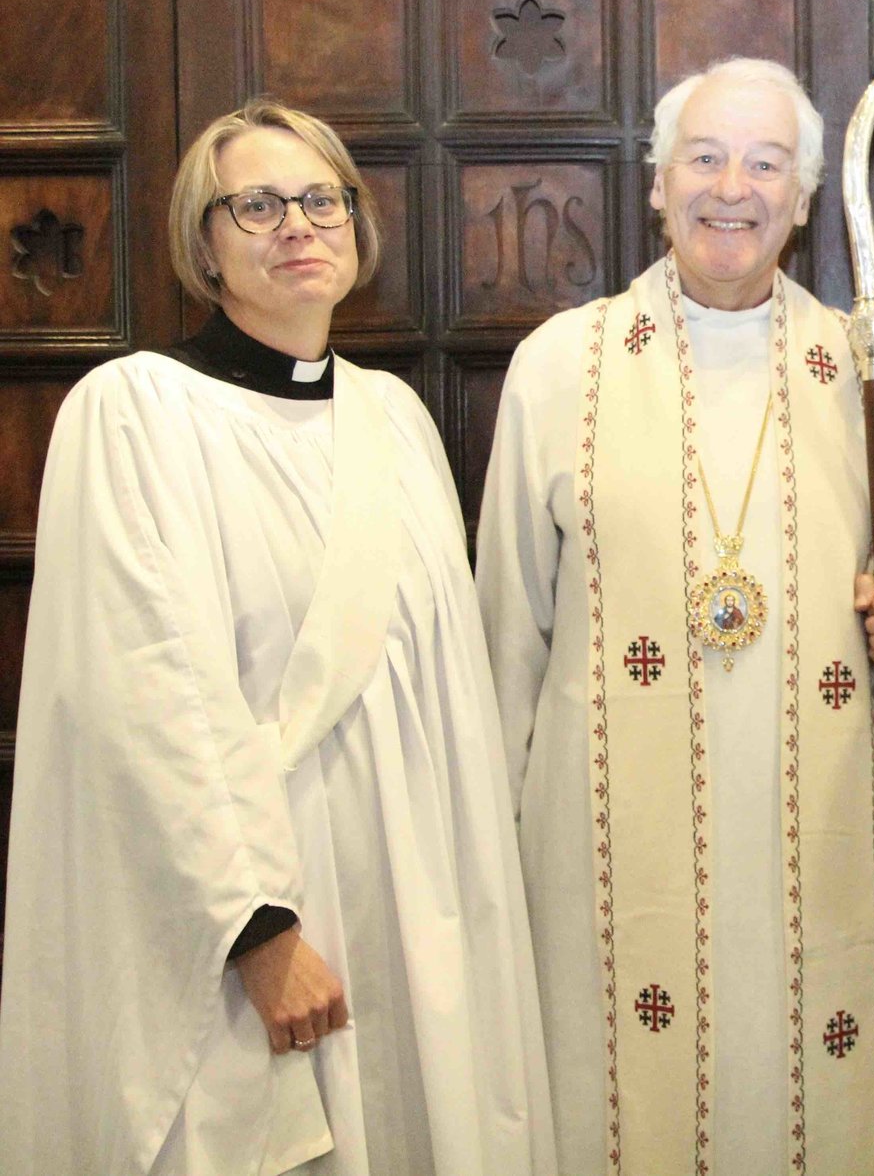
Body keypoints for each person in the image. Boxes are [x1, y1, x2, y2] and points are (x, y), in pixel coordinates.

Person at [0, 100, 556, 1175]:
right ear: (201, 244)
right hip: (248, 916)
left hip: (413, 906)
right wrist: (256, 930)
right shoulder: (134, 414)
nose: (295, 224)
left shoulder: (395, 419)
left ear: (357, 226)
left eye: (319, 200)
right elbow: (146, 700)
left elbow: (442, 697)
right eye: (253, 205)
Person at [476, 56, 874, 1174]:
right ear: (656, 184)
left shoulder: (860, 363)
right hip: (602, 845)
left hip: (821, 829)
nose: (730, 188)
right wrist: (484, 860)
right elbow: (504, 632)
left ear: (804, 199)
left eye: (765, 163)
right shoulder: (560, 368)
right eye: (703, 157)